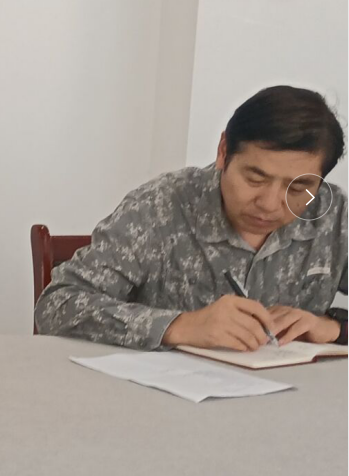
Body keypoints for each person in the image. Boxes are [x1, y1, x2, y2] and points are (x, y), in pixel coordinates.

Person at [37, 85, 347, 350]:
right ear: (223, 152)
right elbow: (57, 305)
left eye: (299, 188)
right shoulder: (161, 206)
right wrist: (179, 326)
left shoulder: (334, 216)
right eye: (255, 178)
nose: (269, 204)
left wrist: (334, 328)